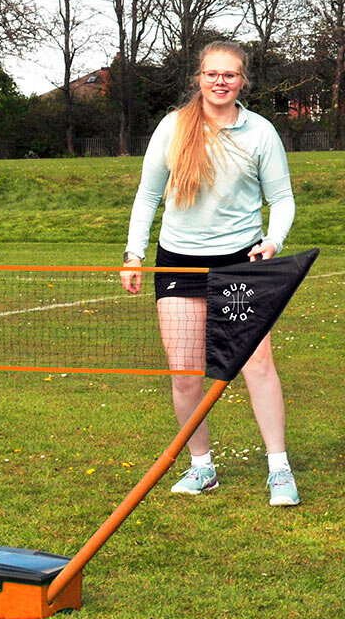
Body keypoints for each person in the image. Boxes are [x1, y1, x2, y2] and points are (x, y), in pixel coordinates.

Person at [120, 41, 298, 506]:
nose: (220, 82)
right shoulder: (173, 128)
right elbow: (147, 196)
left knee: (257, 365)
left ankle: (279, 470)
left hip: (241, 263)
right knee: (184, 375)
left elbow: (282, 200)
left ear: (242, 82)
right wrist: (134, 254)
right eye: (212, 74)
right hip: (177, 262)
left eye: (230, 75)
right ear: (198, 78)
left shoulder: (260, 132)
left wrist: (273, 241)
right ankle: (202, 468)